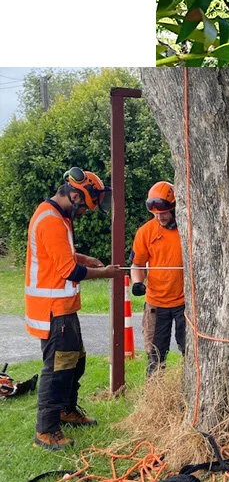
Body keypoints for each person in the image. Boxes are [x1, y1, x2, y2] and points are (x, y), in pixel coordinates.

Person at [25, 167, 122, 450]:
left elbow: (58, 254)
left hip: (64, 308)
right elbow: (68, 270)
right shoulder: (52, 220)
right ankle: (46, 430)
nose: (82, 214)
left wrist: (84, 256)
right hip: (54, 310)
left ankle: (66, 410)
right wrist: (105, 273)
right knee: (57, 370)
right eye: (83, 209)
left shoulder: (56, 215)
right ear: (74, 195)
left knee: (75, 362)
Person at [130, 181, 185, 378]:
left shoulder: (186, 230)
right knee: (155, 354)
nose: (159, 217)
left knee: (190, 349)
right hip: (156, 303)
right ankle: (154, 393)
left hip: (184, 302)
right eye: (155, 213)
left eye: (164, 212)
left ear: (174, 208)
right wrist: (138, 282)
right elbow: (137, 264)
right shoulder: (146, 232)